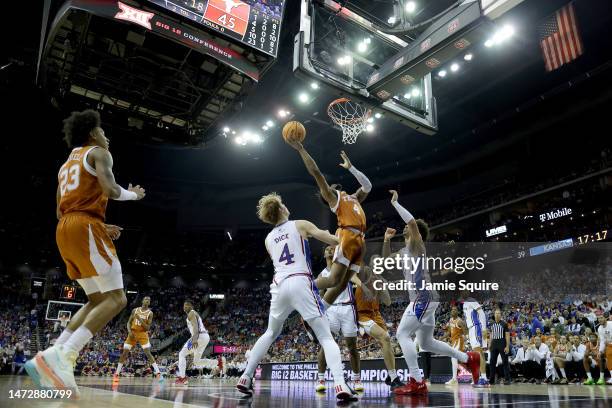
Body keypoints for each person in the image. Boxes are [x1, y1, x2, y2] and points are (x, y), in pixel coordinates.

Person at [25, 109, 145, 393]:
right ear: (92, 133)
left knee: (95, 299)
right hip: (85, 226)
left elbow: (60, 210)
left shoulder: (65, 165)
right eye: (103, 131)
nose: (106, 136)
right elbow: (112, 190)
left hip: (65, 229)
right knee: (117, 299)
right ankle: (67, 355)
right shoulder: (98, 153)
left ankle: (51, 355)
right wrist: (134, 195)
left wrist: (99, 226)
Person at [236, 193, 356, 401]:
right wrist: (350, 235)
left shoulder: (268, 239)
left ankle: (246, 376)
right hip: (301, 281)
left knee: (271, 332)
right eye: (283, 203)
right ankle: (339, 384)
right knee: (326, 336)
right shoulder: (300, 224)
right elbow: (333, 240)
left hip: (279, 285)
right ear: (281, 209)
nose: (286, 205)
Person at [382, 191, 480, 396]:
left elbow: (412, 224)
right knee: (426, 343)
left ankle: (417, 380)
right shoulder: (405, 251)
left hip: (423, 297)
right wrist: (385, 240)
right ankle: (468, 358)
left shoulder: (418, 245)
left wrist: (395, 203)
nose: (405, 227)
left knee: (401, 334)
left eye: (409, 227)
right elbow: (386, 261)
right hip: (424, 299)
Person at [287, 139, 371, 307]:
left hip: (360, 240)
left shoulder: (354, 197)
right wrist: (301, 149)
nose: (329, 186)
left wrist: (351, 168)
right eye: (327, 187)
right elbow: (316, 172)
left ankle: (321, 311)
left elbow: (367, 185)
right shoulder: (334, 200)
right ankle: (296, 289)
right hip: (348, 236)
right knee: (333, 280)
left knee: (340, 285)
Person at [315, 246, 362, 393]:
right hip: (331, 309)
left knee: (352, 347)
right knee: (325, 345)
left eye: (332, 248)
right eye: (327, 248)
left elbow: (355, 277)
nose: (329, 249)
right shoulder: (322, 274)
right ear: (324, 254)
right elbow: (320, 296)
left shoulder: (344, 267)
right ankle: (321, 379)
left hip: (348, 308)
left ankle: (356, 379)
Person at [354, 262, 404, 392]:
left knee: (387, 343)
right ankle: (394, 378)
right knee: (385, 337)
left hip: (376, 315)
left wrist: (383, 287)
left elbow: (387, 302)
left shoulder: (378, 281)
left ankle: (391, 376)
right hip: (362, 315)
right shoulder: (363, 273)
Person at [114, 296, 162, 381]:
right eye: (146, 299)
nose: (147, 301)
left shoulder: (150, 313)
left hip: (142, 334)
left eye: (149, 300)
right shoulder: (135, 310)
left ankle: (158, 373)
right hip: (132, 333)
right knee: (124, 353)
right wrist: (129, 331)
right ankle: (117, 373)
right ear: (142, 301)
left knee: (148, 353)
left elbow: (147, 328)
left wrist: (139, 319)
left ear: (149, 303)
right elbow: (128, 323)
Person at [175, 300, 210, 385]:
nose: (185, 307)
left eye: (187, 305)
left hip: (198, 336)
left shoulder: (191, 313)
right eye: (184, 305)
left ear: (191, 306)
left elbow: (195, 326)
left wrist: (194, 339)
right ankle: (216, 362)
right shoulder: (194, 313)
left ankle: (182, 378)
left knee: (182, 354)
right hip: (205, 337)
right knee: (196, 361)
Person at [462, 295, 490, 387]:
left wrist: (484, 328)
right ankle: (480, 378)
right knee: (477, 354)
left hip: (476, 327)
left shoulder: (471, 300)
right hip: (471, 329)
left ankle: (484, 378)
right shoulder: (464, 303)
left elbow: (481, 313)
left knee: (479, 353)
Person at [488, 308, 511, 385]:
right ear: (494, 315)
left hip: (502, 343)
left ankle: (507, 379)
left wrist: (507, 346)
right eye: (496, 313)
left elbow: (507, 335)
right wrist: (489, 343)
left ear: (500, 315)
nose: (497, 315)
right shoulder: (491, 324)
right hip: (494, 344)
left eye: (498, 313)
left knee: (505, 362)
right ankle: (491, 380)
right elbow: (491, 335)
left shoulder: (504, 324)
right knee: (492, 362)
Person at [445, 306, 466, 385]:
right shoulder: (450, 320)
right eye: (452, 310)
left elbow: (465, 331)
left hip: (459, 341)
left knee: (454, 358)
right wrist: (442, 337)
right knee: (455, 359)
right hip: (454, 342)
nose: (453, 311)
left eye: (455, 310)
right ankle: (454, 379)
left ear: (458, 312)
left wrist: (465, 340)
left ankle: (454, 379)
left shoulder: (460, 321)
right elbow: (449, 332)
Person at [595, 314, 612, 384]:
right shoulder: (599, 328)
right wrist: (600, 351)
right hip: (609, 346)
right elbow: (602, 341)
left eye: (601, 318)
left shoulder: (611, 324)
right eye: (598, 318)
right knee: (606, 354)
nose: (600, 319)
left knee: (609, 353)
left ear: (606, 318)